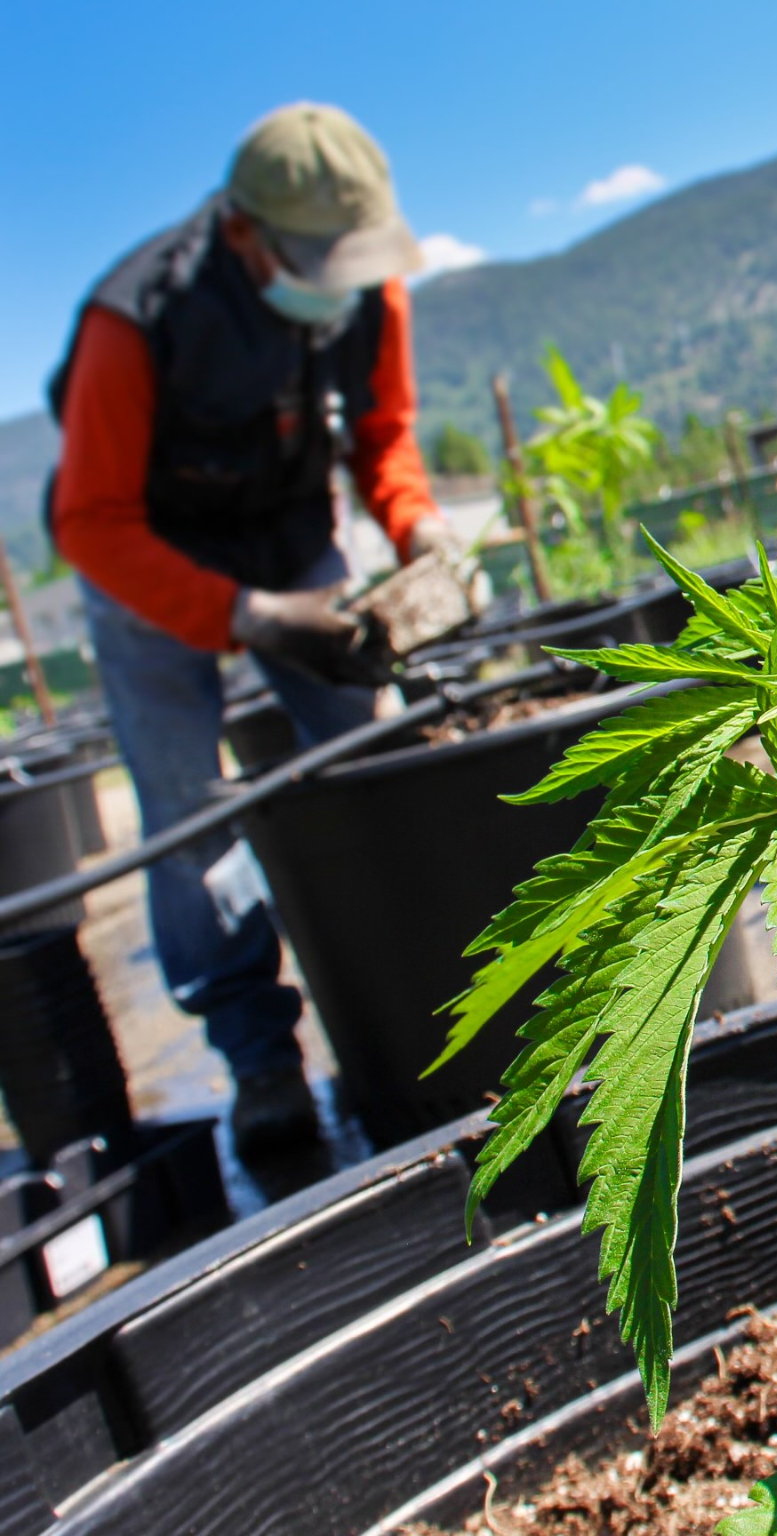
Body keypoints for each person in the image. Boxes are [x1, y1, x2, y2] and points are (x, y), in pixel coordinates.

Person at [47, 104, 461, 1155]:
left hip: (290, 538)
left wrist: (417, 528)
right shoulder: (132, 320)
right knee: (188, 805)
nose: (347, 278)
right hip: (152, 561)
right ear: (245, 234)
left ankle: (421, 989)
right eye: (323, 259)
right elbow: (89, 522)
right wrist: (248, 617)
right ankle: (259, 1057)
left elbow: (383, 435)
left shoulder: (370, 291)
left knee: (366, 747)